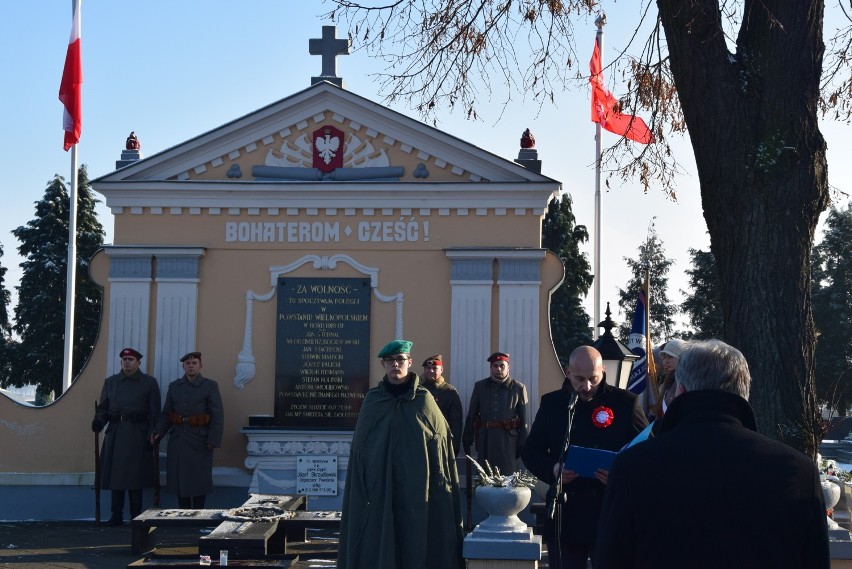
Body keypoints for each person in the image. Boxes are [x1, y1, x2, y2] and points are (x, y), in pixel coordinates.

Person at [595, 340, 830, 568]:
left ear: (681, 390)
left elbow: (611, 558)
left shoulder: (633, 466)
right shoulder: (797, 470)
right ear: (744, 393)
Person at [338, 340, 463, 569]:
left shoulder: (425, 400)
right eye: (390, 360)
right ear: (383, 364)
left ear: (409, 362)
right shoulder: (373, 400)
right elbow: (361, 450)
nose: (396, 364)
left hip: (418, 489)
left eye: (401, 360)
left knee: (415, 536)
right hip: (379, 487)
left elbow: (440, 446)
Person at [521, 346, 647, 568]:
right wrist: (553, 469)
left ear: (603, 371)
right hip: (566, 514)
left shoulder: (625, 403)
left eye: (593, 379)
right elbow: (531, 452)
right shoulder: (553, 404)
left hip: (610, 512)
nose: (587, 386)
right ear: (568, 372)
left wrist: (621, 475)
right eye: (580, 379)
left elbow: (647, 452)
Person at [92, 348, 161, 526]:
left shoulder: (149, 383)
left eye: (131, 359)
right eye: (124, 359)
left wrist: (152, 433)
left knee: (135, 477)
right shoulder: (111, 382)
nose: (127, 362)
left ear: (138, 362)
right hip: (116, 433)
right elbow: (103, 408)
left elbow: (155, 413)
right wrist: (98, 421)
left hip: (138, 434)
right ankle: (116, 515)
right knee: (117, 476)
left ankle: (136, 515)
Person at [155, 351, 224, 509]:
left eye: (194, 363)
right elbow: (166, 413)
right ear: (183, 366)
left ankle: (199, 513)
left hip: (200, 440)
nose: (191, 366)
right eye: (188, 364)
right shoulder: (174, 386)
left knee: (199, 478)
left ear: (200, 366)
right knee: (180, 477)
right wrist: (158, 432)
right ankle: (183, 513)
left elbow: (217, 414)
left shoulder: (209, 386)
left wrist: (213, 439)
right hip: (178, 438)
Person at [462, 352, 529, 476]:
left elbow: (524, 420)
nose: (499, 369)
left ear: (508, 367)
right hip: (486, 440)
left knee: (508, 478)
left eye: (502, 366)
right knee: (485, 477)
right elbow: (472, 414)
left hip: (508, 442)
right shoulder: (480, 387)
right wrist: (467, 436)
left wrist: (522, 442)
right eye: (495, 366)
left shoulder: (518, 388)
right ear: (491, 368)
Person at [420, 354, 463, 454]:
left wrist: (454, 446)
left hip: (442, 442)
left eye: (434, 368)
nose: (430, 371)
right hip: (421, 442)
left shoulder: (449, 391)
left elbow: (456, 422)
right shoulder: (418, 390)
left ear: (441, 369)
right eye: (427, 368)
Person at [650, 338, 688, 419]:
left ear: (682, 358)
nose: (665, 362)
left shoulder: (690, 383)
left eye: (670, 357)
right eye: (664, 357)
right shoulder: (666, 382)